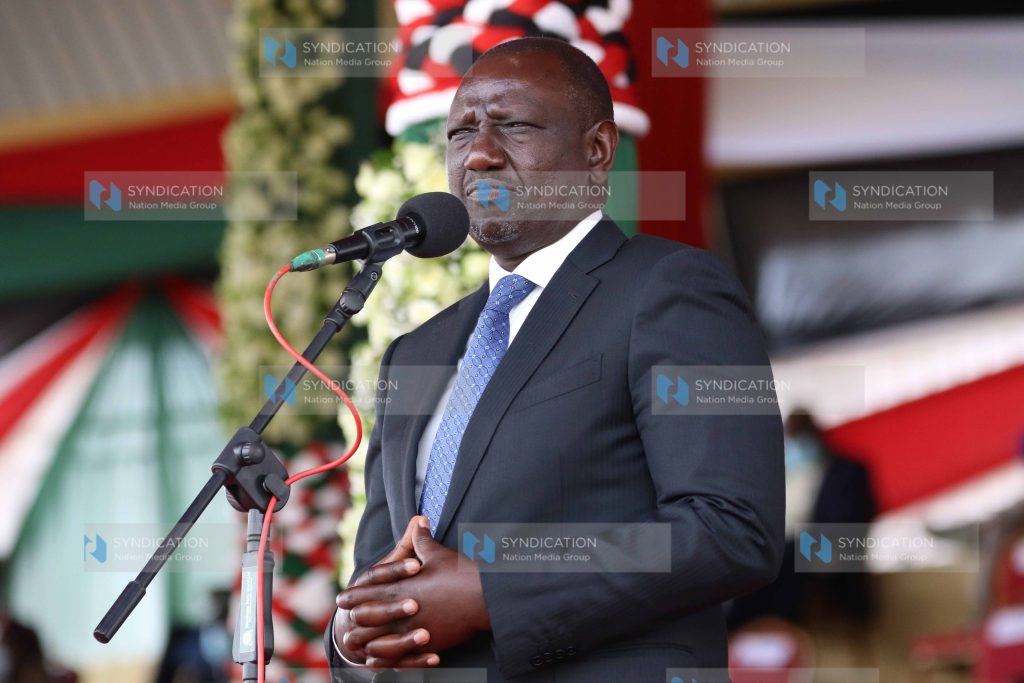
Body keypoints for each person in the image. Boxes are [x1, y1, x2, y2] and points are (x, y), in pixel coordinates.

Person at [324, 37, 785, 682]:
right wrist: (353, 636)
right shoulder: (414, 354)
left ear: (597, 150)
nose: (479, 153)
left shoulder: (670, 289)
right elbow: (379, 571)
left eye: (514, 125)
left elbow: (730, 528)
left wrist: (491, 594)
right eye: (461, 133)